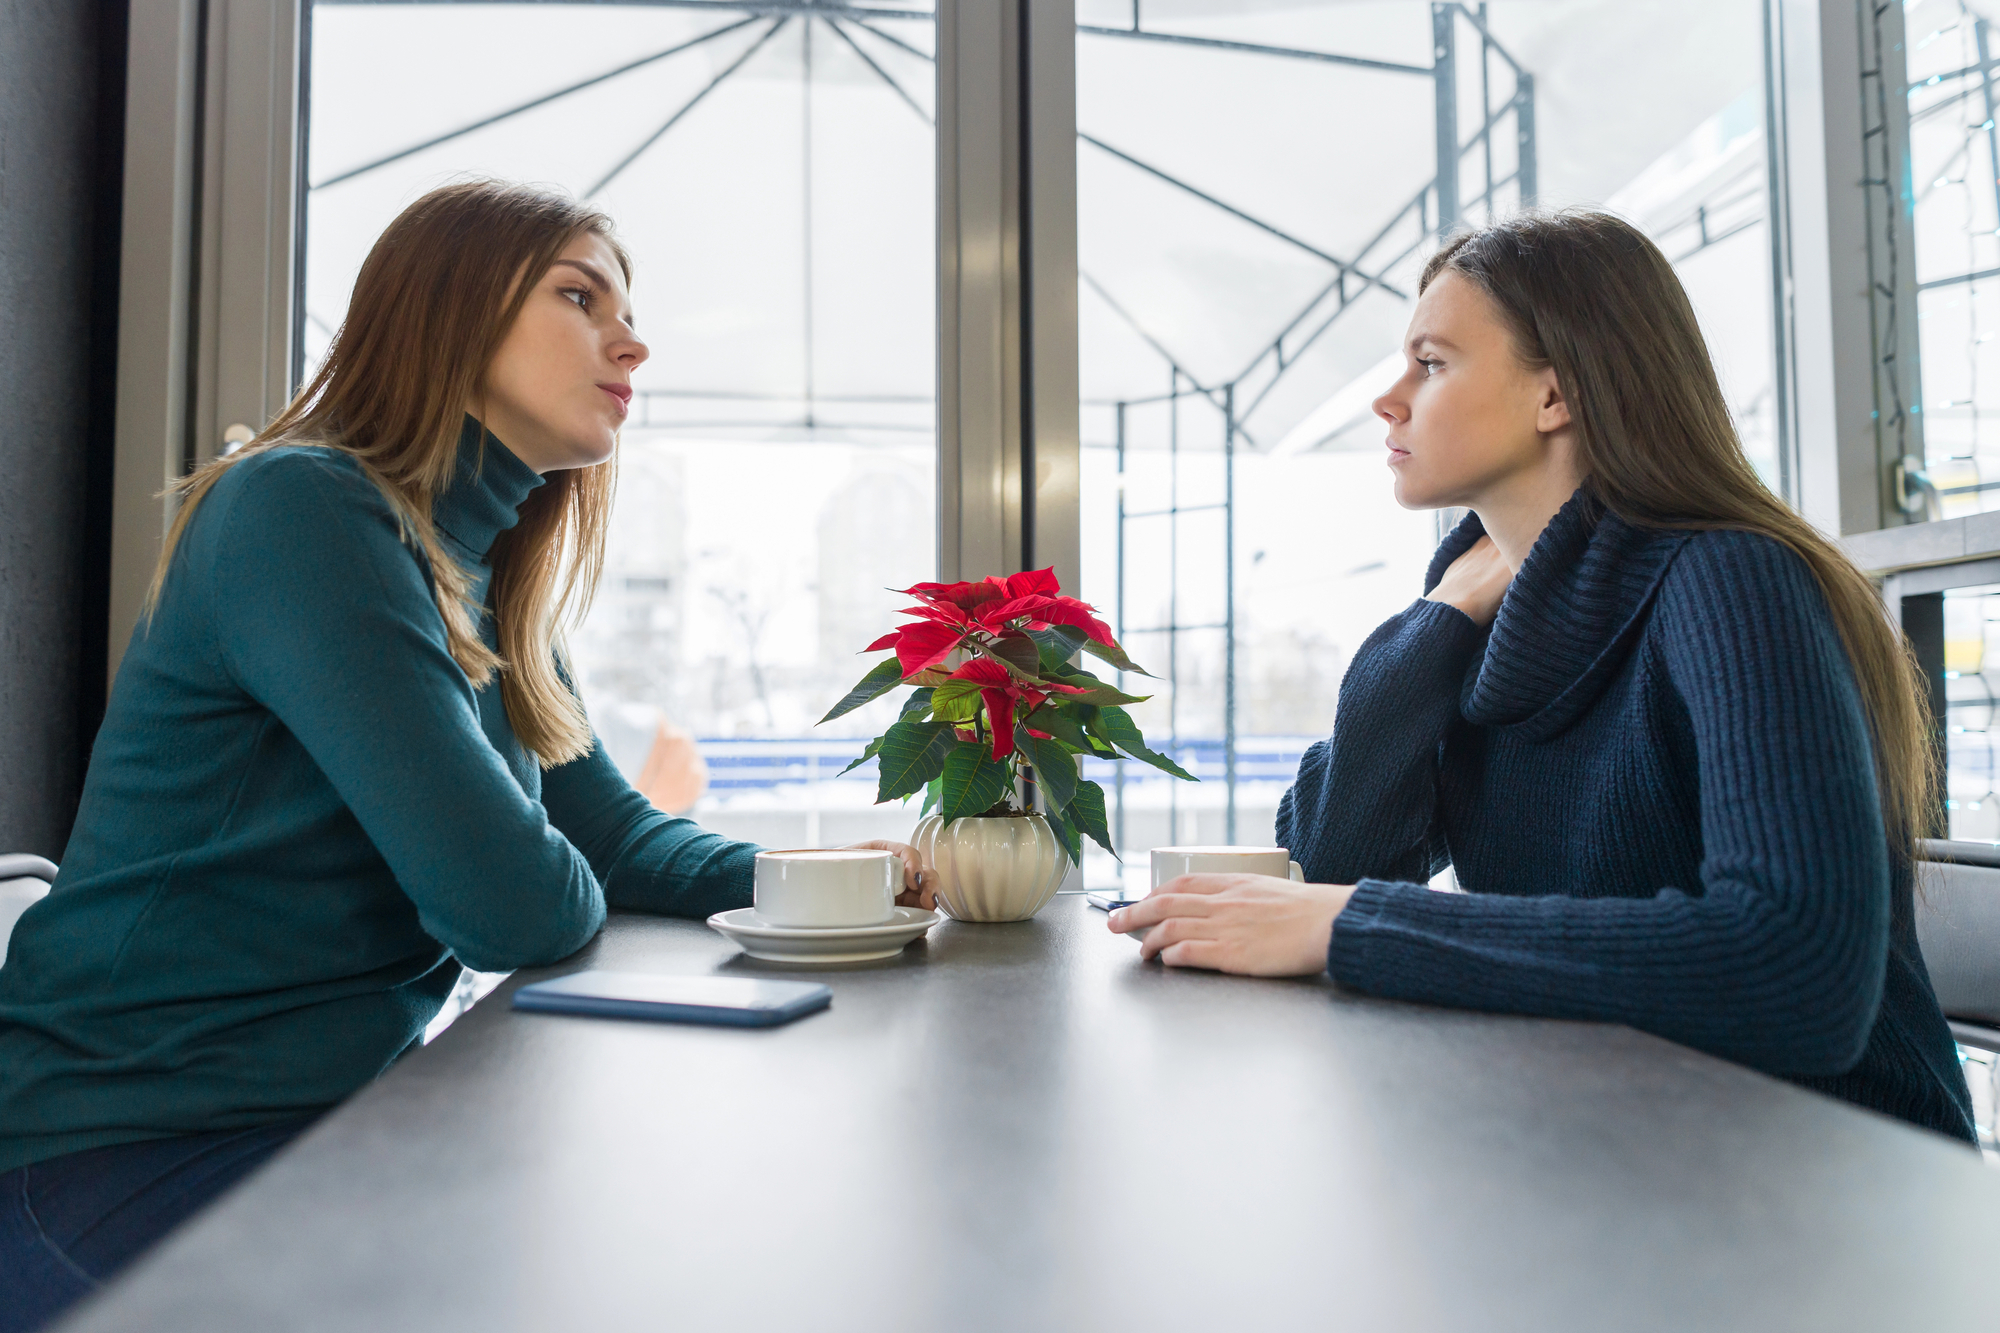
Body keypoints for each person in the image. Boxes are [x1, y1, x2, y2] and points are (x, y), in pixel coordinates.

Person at [0, 180, 934, 1330]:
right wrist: (540, 856)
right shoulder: (306, 510)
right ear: (450, 308)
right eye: (580, 295)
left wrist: (832, 877)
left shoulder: (484, 573)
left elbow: (612, 833)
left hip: (326, 1125)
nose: (632, 340)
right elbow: (513, 908)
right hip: (126, 1150)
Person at [1107, 209, 1977, 1144]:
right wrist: (1432, 627)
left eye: (1431, 363)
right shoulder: (1482, 615)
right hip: (1612, 1147)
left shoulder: (1729, 577)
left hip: (1837, 1185)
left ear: (1556, 396)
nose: (1387, 399)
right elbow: (1331, 860)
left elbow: (1798, 974)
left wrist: (1355, 925)